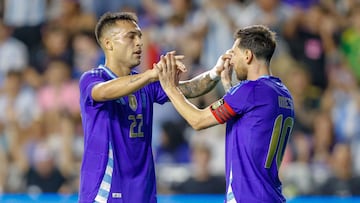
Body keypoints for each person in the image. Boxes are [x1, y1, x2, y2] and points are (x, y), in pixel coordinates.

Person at [78, 12, 229, 203]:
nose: (139, 42)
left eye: (140, 36)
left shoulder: (146, 84)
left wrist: (216, 72)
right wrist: (150, 75)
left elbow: (189, 89)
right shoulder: (93, 78)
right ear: (109, 43)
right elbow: (103, 93)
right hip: (106, 190)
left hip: (143, 192)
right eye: (131, 36)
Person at [157, 25, 295, 202]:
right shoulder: (283, 93)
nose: (231, 60)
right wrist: (229, 87)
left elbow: (197, 120)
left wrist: (170, 87)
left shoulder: (250, 91)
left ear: (248, 56)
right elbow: (250, 120)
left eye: (234, 54)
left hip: (247, 197)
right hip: (271, 195)